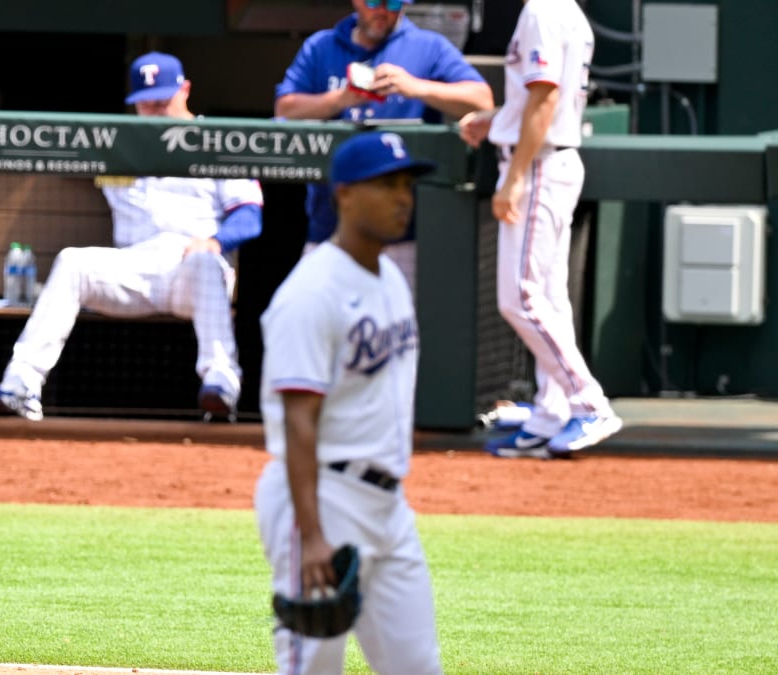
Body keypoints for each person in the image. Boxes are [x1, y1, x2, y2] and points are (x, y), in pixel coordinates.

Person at [0, 52, 264, 422]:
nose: (157, 110)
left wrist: (217, 242)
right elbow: (39, 146)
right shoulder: (119, 144)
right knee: (72, 261)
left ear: (186, 90)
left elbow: (249, 214)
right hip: (134, 268)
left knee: (205, 261)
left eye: (164, 100)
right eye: (148, 103)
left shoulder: (218, 140)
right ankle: (21, 386)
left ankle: (222, 382)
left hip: (192, 267)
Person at [253, 131, 441, 674]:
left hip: (388, 504)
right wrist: (312, 536)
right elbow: (298, 419)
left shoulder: (390, 278)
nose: (403, 197)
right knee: (313, 666)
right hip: (321, 499)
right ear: (344, 194)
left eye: (407, 184)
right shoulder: (311, 292)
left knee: (417, 666)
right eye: (386, 185)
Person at [458, 0, 622, 458]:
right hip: (549, 156)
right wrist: (499, 121)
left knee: (519, 296)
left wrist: (513, 179)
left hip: (540, 166)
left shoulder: (543, 11)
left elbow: (546, 97)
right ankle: (552, 412)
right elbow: (542, 96)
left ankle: (589, 403)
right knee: (547, 298)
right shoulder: (562, 9)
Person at [275, 0, 493, 295]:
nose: (383, 10)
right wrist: (341, 99)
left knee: (395, 332)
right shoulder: (322, 45)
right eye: (375, 2)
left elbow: (482, 99)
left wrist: (417, 87)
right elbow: (284, 108)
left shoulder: (427, 46)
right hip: (329, 228)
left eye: (393, 3)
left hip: (401, 236)